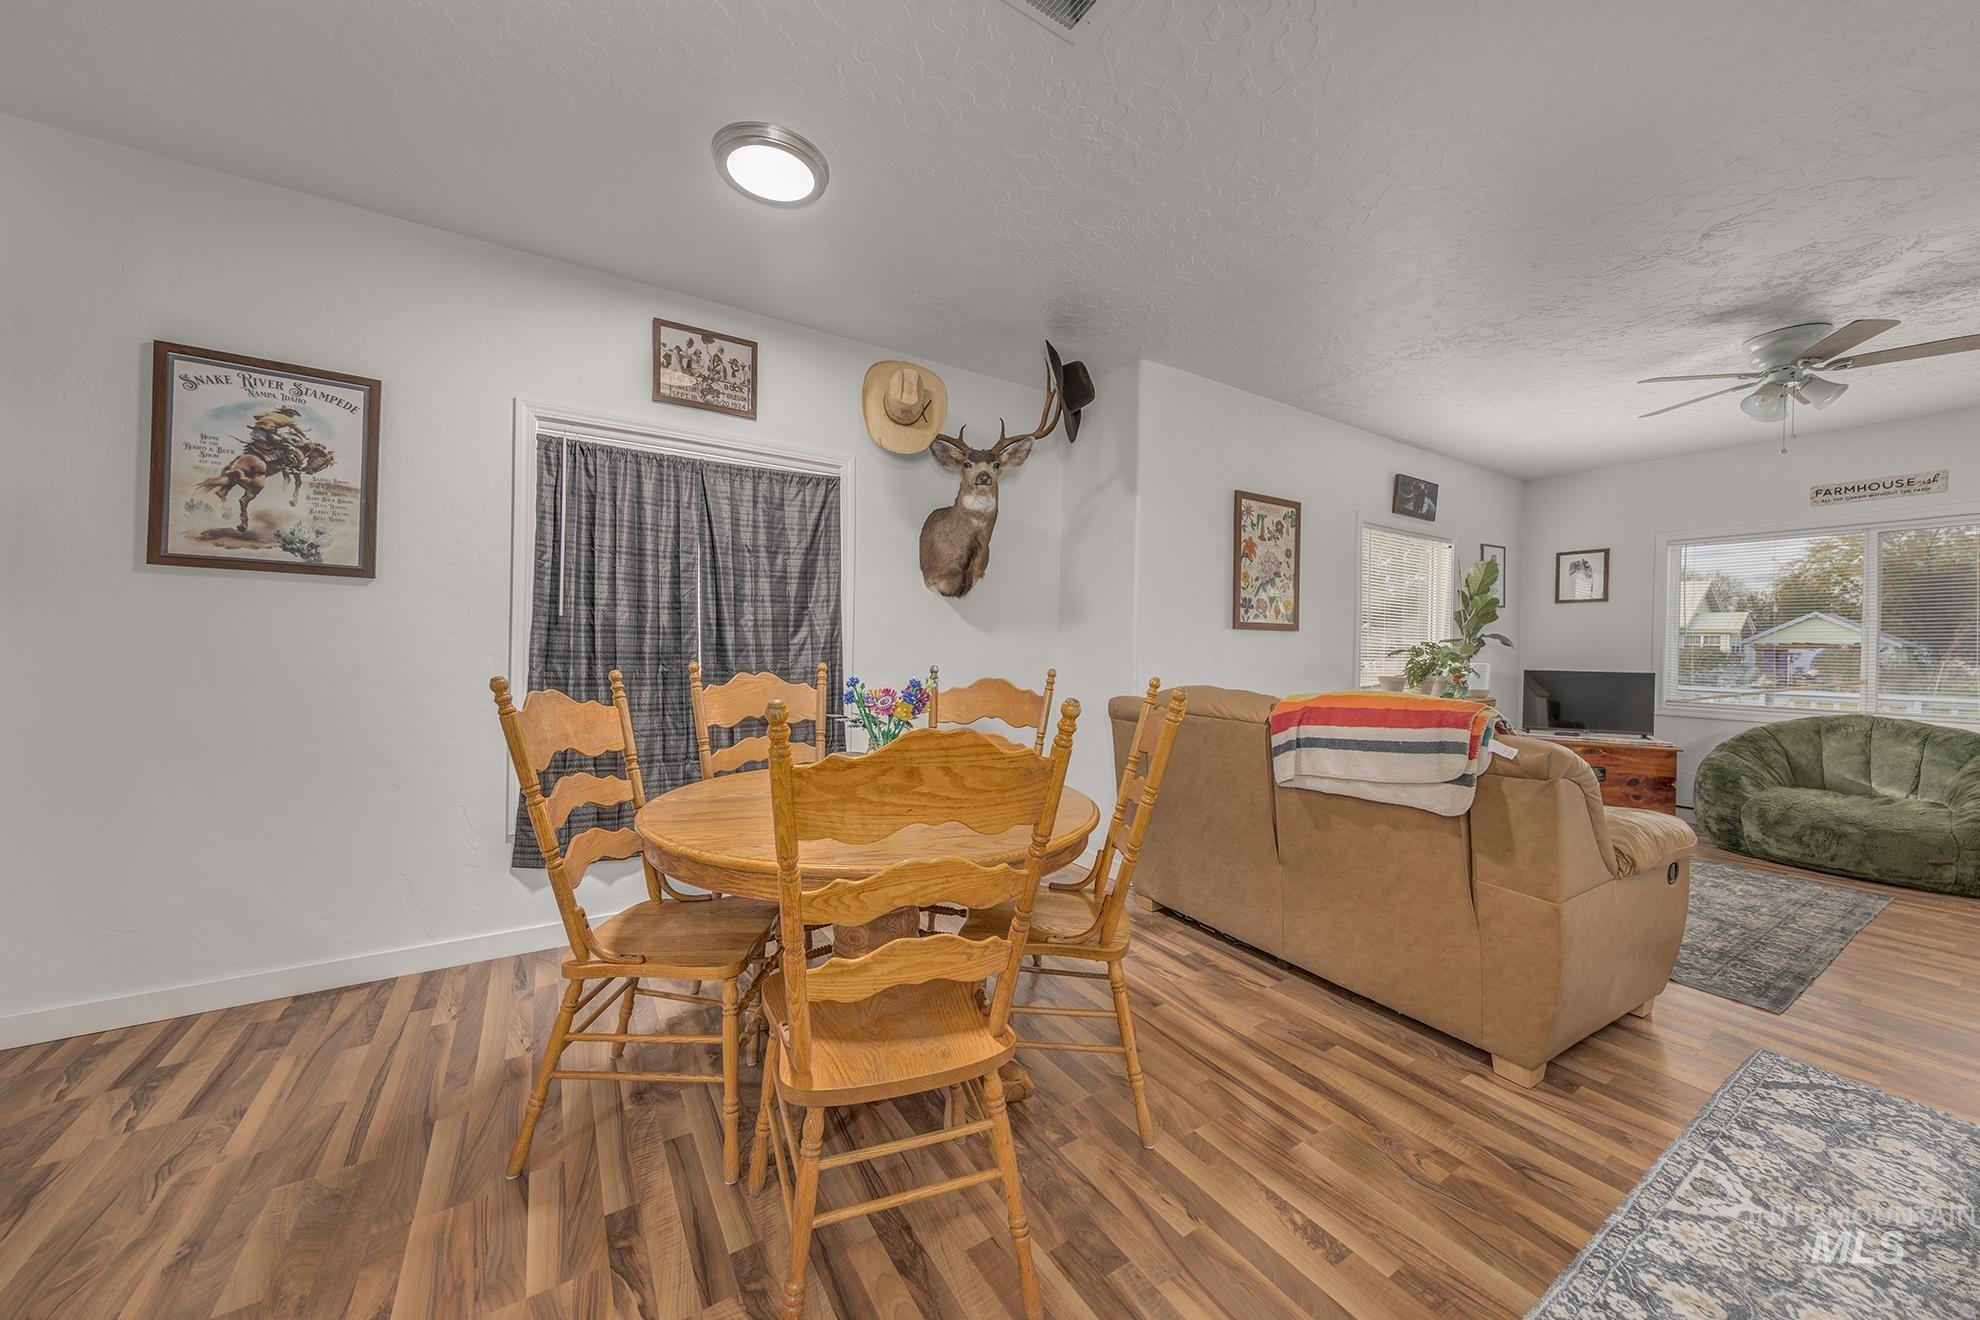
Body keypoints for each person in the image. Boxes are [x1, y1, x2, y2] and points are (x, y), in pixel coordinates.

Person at [244, 405, 311, 472]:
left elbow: (256, 416)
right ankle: (287, 465)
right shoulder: (289, 420)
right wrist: (305, 436)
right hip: (268, 433)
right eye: (292, 413)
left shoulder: (271, 412)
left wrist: (267, 420)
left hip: (256, 431)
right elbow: (297, 429)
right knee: (289, 447)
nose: (293, 415)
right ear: (287, 412)